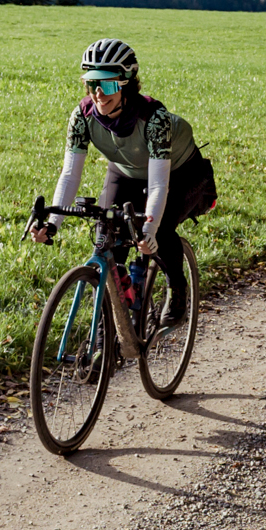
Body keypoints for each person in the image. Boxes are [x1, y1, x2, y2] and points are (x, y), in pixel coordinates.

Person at [30, 38, 215, 322]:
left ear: (126, 83)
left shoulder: (155, 120)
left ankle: (177, 288)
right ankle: (112, 324)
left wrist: (150, 230)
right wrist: (52, 224)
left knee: (160, 228)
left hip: (181, 172)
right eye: (92, 84)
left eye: (109, 85)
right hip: (125, 171)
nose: (99, 94)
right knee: (108, 237)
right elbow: (70, 174)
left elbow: (158, 186)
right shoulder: (82, 116)